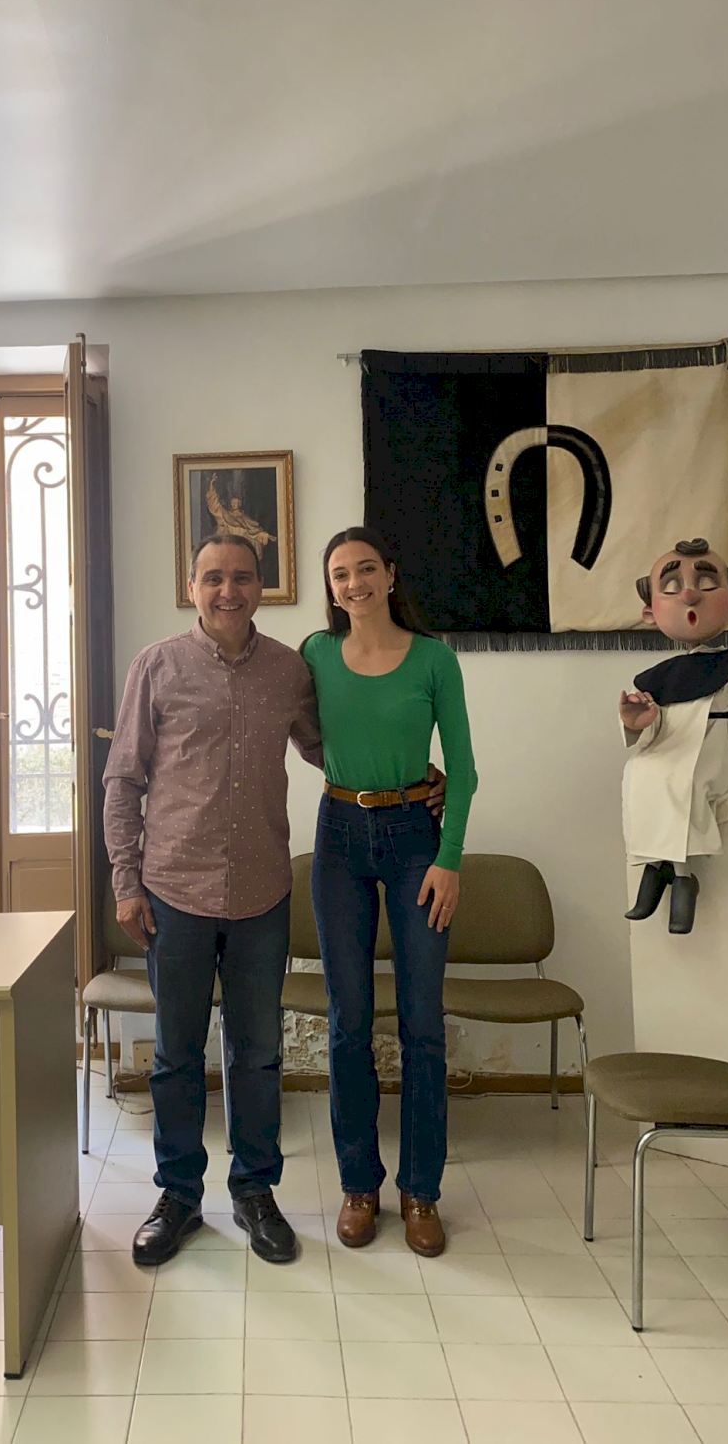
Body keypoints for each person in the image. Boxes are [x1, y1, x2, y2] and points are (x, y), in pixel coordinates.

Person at [102, 533, 322, 1267]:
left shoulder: (289, 671)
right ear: (191, 586)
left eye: (243, 577)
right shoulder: (157, 666)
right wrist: (126, 883)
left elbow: (327, 748)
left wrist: (407, 765)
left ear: (262, 586)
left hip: (261, 893)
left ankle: (255, 1191)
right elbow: (123, 779)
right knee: (175, 1056)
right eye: (214, 577)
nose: (229, 590)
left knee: (258, 1054)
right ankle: (179, 1197)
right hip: (175, 893)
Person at [302, 526, 477, 1257]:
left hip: (415, 840)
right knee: (348, 1020)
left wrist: (448, 858)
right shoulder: (315, 653)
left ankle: (420, 1190)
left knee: (421, 1023)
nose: (355, 583)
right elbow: (297, 728)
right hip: (339, 833)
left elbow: (462, 769)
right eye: (341, 573)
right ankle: (358, 1185)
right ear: (332, 586)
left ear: (391, 573)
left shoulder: (434, 658)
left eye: (366, 568)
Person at [621, 525, 728, 934]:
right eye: (672, 587)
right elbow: (652, 731)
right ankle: (658, 867)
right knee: (641, 772)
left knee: (682, 778)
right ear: (650, 613)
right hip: (671, 749)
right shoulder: (658, 676)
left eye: (706, 583)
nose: (689, 594)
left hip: (720, 751)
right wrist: (636, 724)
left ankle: (682, 877)